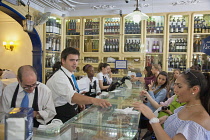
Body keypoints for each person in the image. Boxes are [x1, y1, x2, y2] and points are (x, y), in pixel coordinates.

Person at [133, 69, 210, 139]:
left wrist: (152, 118)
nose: (174, 89)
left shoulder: (198, 122)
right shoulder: (186, 107)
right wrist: (168, 119)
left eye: (179, 86)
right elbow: (180, 123)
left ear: (194, 89)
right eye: (175, 84)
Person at [46, 47, 111, 123]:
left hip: (70, 112)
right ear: (63, 61)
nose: (75, 63)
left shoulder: (69, 74)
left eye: (76, 60)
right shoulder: (59, 78)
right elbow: (72, 96)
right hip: (60, 117)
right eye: (71, 60)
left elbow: (72, 92)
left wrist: (79, 102)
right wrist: (94, 100)